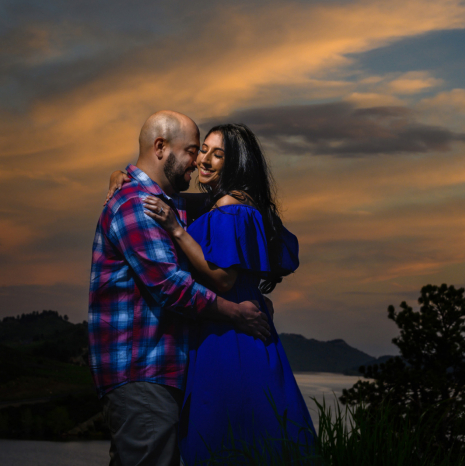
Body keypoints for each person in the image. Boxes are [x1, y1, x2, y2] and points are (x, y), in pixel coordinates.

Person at [108, 123, 317, 464]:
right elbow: (169, 196)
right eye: (203, 149)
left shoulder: (230, 208)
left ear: (235, 165)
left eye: (217, 154)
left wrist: (176, 229)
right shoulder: (221, 205)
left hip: (231, 333)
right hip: (227, 328)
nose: (204, 159)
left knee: (229, 435)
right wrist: (122, 175)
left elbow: (222, 279)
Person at [90, 111, 270, 466]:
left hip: (161, 372)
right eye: (192, 150)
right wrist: (235, 311)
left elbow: (225, 212)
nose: (198, 160)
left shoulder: (170, 207)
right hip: (141, 372)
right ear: (160, 147)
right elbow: (170, 286)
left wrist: (249, 288)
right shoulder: (135, 205)